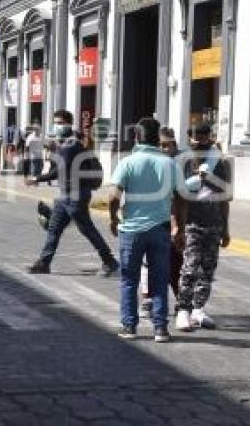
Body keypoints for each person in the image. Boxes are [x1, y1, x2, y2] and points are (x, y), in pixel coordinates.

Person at [109, 118, 183, 343]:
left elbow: (113, 196)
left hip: (132, 229)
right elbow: (182, 197)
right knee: (160, 279)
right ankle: (160, 329)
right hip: (160, 229)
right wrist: (178, 225)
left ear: (136, 138)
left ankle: (129, 326)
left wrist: (113, 218)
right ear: (156, 139)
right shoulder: (171, 164)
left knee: (129, 279)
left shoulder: (128, 162)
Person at [25, 110, 119, 277]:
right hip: (65, 196)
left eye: (60, 123)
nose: (57, 126)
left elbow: (57, 172)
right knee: (54, 229)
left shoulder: (70, 146)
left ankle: (109, 260)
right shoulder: (66, 143)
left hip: (76, 196)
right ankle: (44, 262)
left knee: (87, 230)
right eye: (55, 122)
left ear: (69, 123)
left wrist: (36, 178)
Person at [174, 123, 232, 331]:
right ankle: (183, 310)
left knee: (208, 270)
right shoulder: (183, 161)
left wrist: (225, 228)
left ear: (210, 137)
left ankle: (198, 309)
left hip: (213, 222)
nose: (199, 141)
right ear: (190, 138)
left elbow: (226, 196)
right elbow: (177, 195)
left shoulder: (220, 162)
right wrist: (177, 226)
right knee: (189, 268)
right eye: (195, 137)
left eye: (204, 137)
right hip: (191, 222)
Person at [139, 127, 184, 319]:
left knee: (176, 262)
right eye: (160, 145)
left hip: (174, 222)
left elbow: (182, 198)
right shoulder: (149, 164)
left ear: (174, 145)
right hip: (152, 221)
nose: (164, 149)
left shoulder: (181, 165)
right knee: (149, 263)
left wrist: (178, 224)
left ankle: (181, 300)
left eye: (168, 145)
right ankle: (148, 299)